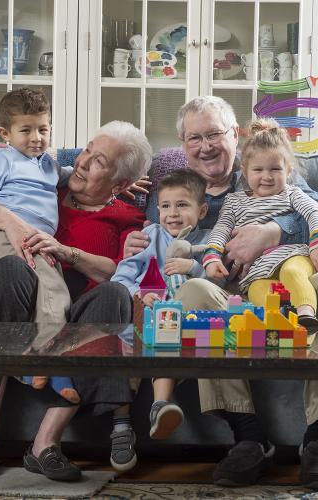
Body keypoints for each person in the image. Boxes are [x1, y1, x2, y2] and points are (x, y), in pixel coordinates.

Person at [123, 96, 318, 490]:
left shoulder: (264, 166)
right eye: (194, 138)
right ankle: (249, 437)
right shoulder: (177, 189)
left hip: (289, 282)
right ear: (183, 144)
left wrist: (273, 231)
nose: (206, 146)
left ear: (236, 135)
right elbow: (158, 243)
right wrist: (137, 245)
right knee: (194, 293)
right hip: (226, 291)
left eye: (215, 134)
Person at [0, 120, 153, 481]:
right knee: (8, 270)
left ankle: (45, 444)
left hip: (77, 323)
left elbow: (119, 271)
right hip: (23, 300)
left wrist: (66, 251)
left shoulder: (128, 216)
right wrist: (10, 222)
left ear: (119, 184)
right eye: (87, 150)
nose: (83, 162)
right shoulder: (43, 182)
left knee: (115, 295)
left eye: (99, 161)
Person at [0, 88, 78, 404]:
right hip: (6, 239)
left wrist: (117, 174)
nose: (36, 138)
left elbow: (81, 173)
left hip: (42, 244)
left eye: (43, 129)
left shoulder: (49, 165)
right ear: (5, 133)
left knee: (55, 296)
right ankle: (39, 365)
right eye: (25, 130)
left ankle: (47, 363)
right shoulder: (0, 158)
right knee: (49, 294)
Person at [111, 169, 210, 440]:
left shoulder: (209, 242)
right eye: (165, 206)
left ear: (201, 210)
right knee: (125, 359)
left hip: (181, 328)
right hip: (145, 322)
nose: (173, 213)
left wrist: (195, 268)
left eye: (182, 205)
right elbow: (120, 278)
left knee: (168, 342)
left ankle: (159, 406)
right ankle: (121, 428)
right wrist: (140, 294)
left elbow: (219, 284)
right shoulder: (150, 237)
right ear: (157, 210)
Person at [203, 118, 318, 328]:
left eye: (275, 170)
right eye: (258, 170)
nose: (267, 177)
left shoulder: (292, 194)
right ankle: (282, 322)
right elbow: (222, 228)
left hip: (294, 257)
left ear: (289, 170)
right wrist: (212, 256)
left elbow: (316, 211)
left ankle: (306, 314)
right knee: (256, 290)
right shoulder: (234, 201)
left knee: (292, 272)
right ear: (245, 171)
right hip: (257, 273)